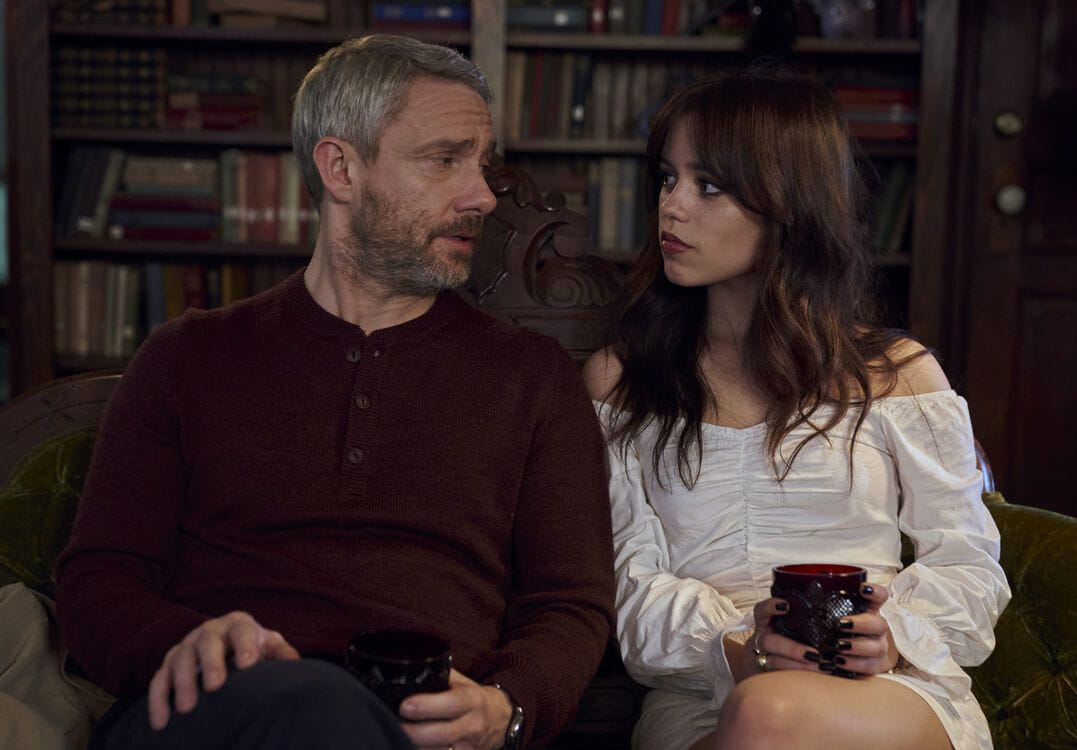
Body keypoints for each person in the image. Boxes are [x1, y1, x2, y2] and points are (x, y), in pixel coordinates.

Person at [54, 34, 615, 750]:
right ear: (340, 168)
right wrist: (186, 643)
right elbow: (98, 581)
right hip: (216, 717)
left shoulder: (532, 377)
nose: (481, 196)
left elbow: (569, 604)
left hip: (419, 729)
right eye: (445, 159)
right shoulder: (186, 357)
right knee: (309, 701)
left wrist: (505, 707)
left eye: (481, 163)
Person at [582, 68, 1011, 750]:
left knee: (770, 714)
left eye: (708, 185)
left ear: (788, 201)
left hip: (885, 691)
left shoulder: (897, 374)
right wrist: (741, 647)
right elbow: (628, 589)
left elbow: (970, 567)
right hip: (705, 696)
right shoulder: (622, 381)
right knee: (761, 711)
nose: (672, 207)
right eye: (667, 178)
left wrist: (893, 635)